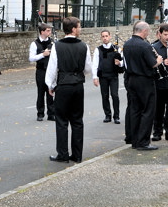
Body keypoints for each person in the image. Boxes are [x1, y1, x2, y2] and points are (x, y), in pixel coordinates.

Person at [45, 16, 92, 163]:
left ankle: (63, 154)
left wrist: (50, 85)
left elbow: (52, 68)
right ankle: (77, 155)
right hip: (78, 85)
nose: (80, 29)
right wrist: (77, 74)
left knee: (62, 121)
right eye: (79, 26)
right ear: (73, 29)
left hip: (64, 85)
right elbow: (88, 68)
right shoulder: (84, 46)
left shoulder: (57, 46)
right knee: (77, 120)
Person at [123, 21, 163, 150]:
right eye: (148, 31)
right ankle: (143, 141)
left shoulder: (127, 44)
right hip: (144, 80)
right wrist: (159, 60)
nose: (148, 33)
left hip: (131, 79)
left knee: (135, 110)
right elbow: (152, 63)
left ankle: (135, 140)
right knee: (147, 111)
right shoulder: (145, 45)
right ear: (144, 31)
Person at [92, 29, 122, 124]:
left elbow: (123, 61)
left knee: (115, 95)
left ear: (110, 36)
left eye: (106, 36)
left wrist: (119, 63)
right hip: (103, 76)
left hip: (113, 75)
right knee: (104, 96)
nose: (105, 38)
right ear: (101, 38)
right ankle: (107, 115)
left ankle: (116, 116)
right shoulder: (98, 49)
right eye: (103, 36)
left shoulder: (116, 48)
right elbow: (95, 64)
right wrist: (95, 77)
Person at [28, 23, 55, 121]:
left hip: (50, 71)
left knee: (50, 92)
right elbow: (31, 58)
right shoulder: (35, 43)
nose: (50, 32)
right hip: (41, 71)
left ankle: (51, 113)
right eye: (48, 30)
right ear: (42, 31)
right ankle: (40, 113)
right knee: (41, 93)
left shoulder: (52, 43)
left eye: (50, 30)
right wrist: (43, 54)